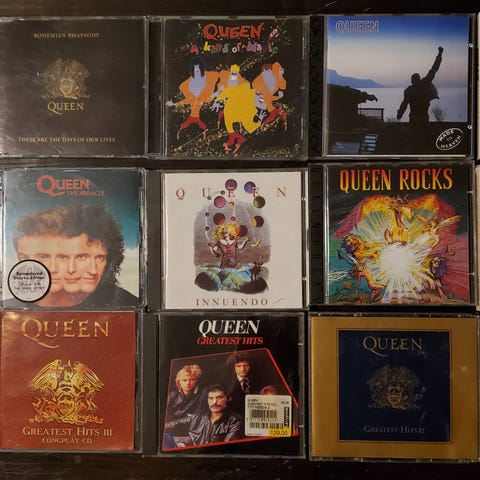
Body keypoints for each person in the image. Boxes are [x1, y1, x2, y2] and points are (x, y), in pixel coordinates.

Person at [9, 204, 137, 308]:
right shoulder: (10, 308)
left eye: (43, 257)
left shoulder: (125, 302)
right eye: (24, 258)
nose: (52, 268)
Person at [163, 384, 243, 448]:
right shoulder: (199, 415)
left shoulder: (235, 421)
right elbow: (173, 424)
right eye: (211, 398)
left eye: (219, 398)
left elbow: (225, 448)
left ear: (228, 398)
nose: (214, 402)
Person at [396, 46, 443, 125]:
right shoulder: (424, 84)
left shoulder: (409, 90)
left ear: (412, 81)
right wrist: (440, 54)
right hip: (423, 118)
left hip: (415, 119)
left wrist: (399, 115)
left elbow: (404, 104)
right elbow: (434, 69)